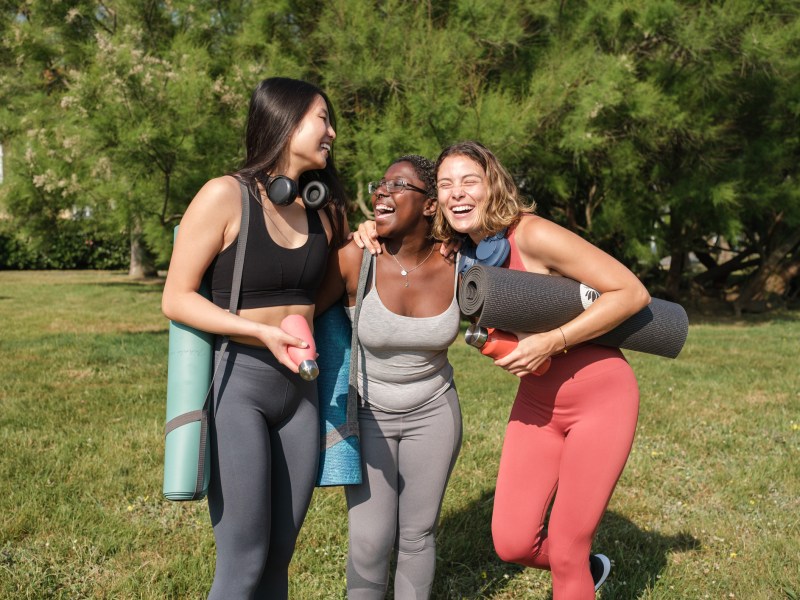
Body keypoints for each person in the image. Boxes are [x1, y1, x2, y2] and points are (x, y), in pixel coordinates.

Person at [161, 77, 348, 599]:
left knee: (279, 557)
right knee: (243, 561)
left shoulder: (324, 209)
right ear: (285, 122)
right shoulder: (226, 195)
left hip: (301, 392)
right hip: (240, 384)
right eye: (321, 118)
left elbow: (326, 294)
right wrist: (259, 331)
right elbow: (176, 297)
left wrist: (363, 248)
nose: (331, 131)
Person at [316, 155, 462, 599]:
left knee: (417, 536)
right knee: (369, 539)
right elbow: (297, 315)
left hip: (435, 412)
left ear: (430, 205)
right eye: (381, 183)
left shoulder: (460, 263)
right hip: (368, 413)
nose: (382, 191)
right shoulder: (354, 258)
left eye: (399, 184)